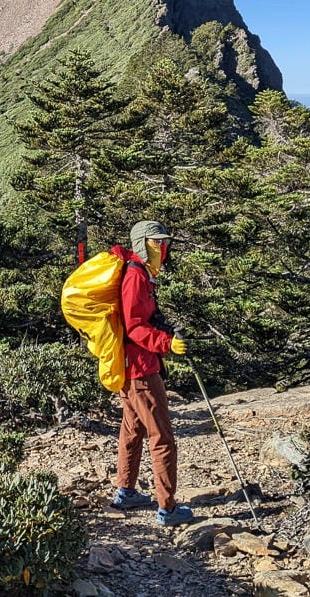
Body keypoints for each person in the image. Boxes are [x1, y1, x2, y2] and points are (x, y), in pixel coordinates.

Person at [108, 220, 194, 526]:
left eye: (164, 243)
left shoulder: (140, 273)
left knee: (132, 430)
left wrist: (165, 330)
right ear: (142, 243)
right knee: (162, 437)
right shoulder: (135, 276)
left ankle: (126, 491)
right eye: (157, 243)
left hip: (130, 367)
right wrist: (167, 343)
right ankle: (167, 508)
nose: (163, 248)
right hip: (141, 369)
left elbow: (144, 317)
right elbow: (134, 327)